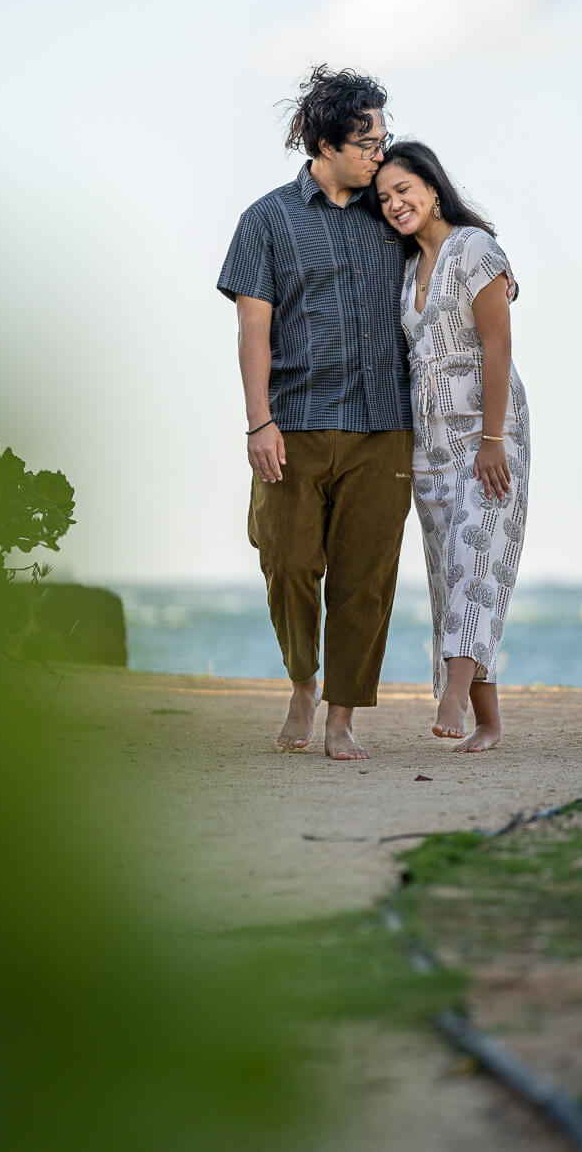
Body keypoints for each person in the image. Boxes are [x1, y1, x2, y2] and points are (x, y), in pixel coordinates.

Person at [217, 66, 413, 760]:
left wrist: (497, 269)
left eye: (384, 141)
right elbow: (253, 331)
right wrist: (257, 421)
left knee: (366, 582)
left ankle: (340, 717)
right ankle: (303, 679)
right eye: (367, 142)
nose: (380, 155)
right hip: (294, 424)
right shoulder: (267, 220)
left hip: (385, 426)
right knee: (288, 561)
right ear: (326, 142)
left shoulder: (393, 214)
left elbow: (455, 246)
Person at [373, 142, 529, 752]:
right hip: (429, 448)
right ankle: (488, 722)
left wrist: (493, 440)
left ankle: (451, 697)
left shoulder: (475, 249)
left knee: (476, 563)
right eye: (384, 198)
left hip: (488, 437)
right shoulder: (408, 270)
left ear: (433, 188)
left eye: (404, 190)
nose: (394, 204)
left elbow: (498, 346)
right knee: (452, 577)